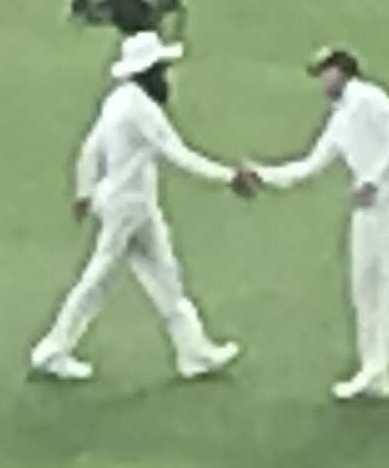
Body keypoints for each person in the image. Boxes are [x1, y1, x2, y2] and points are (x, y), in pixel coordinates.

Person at [29, 28, 242, 383]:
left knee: (166, 278)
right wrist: (228, 177)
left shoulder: (117, 100)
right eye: (161, 69)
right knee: (98, 279)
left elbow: (90, 147)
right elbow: (177, 153)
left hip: (132, 204)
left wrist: (84, 191)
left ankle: (194, 353)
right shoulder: (141, 110)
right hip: (127, 208)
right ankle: (52, 351)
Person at [242, 45, 389, 409]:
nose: (322, 83)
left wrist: (372, 178)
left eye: (326, 73)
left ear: (342, 71)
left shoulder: (369, 98)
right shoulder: (340, 117)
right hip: (367, 208)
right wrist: (264, 175)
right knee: (365, 285)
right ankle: (375, 371)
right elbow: (310, 165)